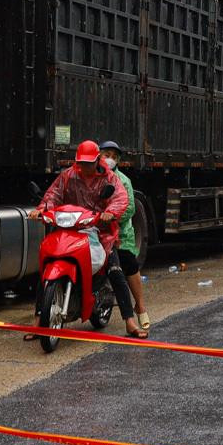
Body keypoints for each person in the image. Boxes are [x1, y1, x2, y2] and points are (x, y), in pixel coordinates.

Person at [34, 140, 147, 338]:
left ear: (96, 161)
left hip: (100, 231)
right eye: (81, 163)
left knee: (115, 270)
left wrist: (110, 213)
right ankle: (38, 320)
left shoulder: (109, 178)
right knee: (47, 268)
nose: (84, 167)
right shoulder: (68, 175)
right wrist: (42, 209)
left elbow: (121, 198)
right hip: (71, 227)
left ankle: (130, 320)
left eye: (88, 163)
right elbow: (53, 194)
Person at [98, 140, 148, 331]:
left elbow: (129, 208)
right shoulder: (90, 176)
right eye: (106, 154)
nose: (109, 159)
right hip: (94, 230)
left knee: (126, 265)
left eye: (113, 156)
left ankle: (140, 306)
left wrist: (110, 217)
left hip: (119, 234)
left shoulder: (122, 181)